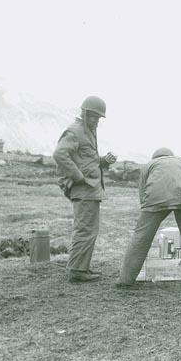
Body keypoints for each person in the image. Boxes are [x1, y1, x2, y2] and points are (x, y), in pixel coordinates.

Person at [116, 148, 181, 290]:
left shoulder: (149, 165)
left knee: (141, 237)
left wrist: (147, 212)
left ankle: (125, 279)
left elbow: (142, 194)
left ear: (155, 157)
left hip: (155, 199)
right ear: (171, 156)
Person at [53, 96, 117, 283]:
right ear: (85, 113)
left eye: (99, 118)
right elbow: (59, 154)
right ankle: (77, 271)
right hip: (84, 189)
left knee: (89, 229)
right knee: (85, 229)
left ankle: (81, 267)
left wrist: (103, 161)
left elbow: (87, 161)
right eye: (94, 117)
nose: (97, 121)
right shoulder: (75, 131)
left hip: (90, 189)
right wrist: (78, 177)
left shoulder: (87, 132)